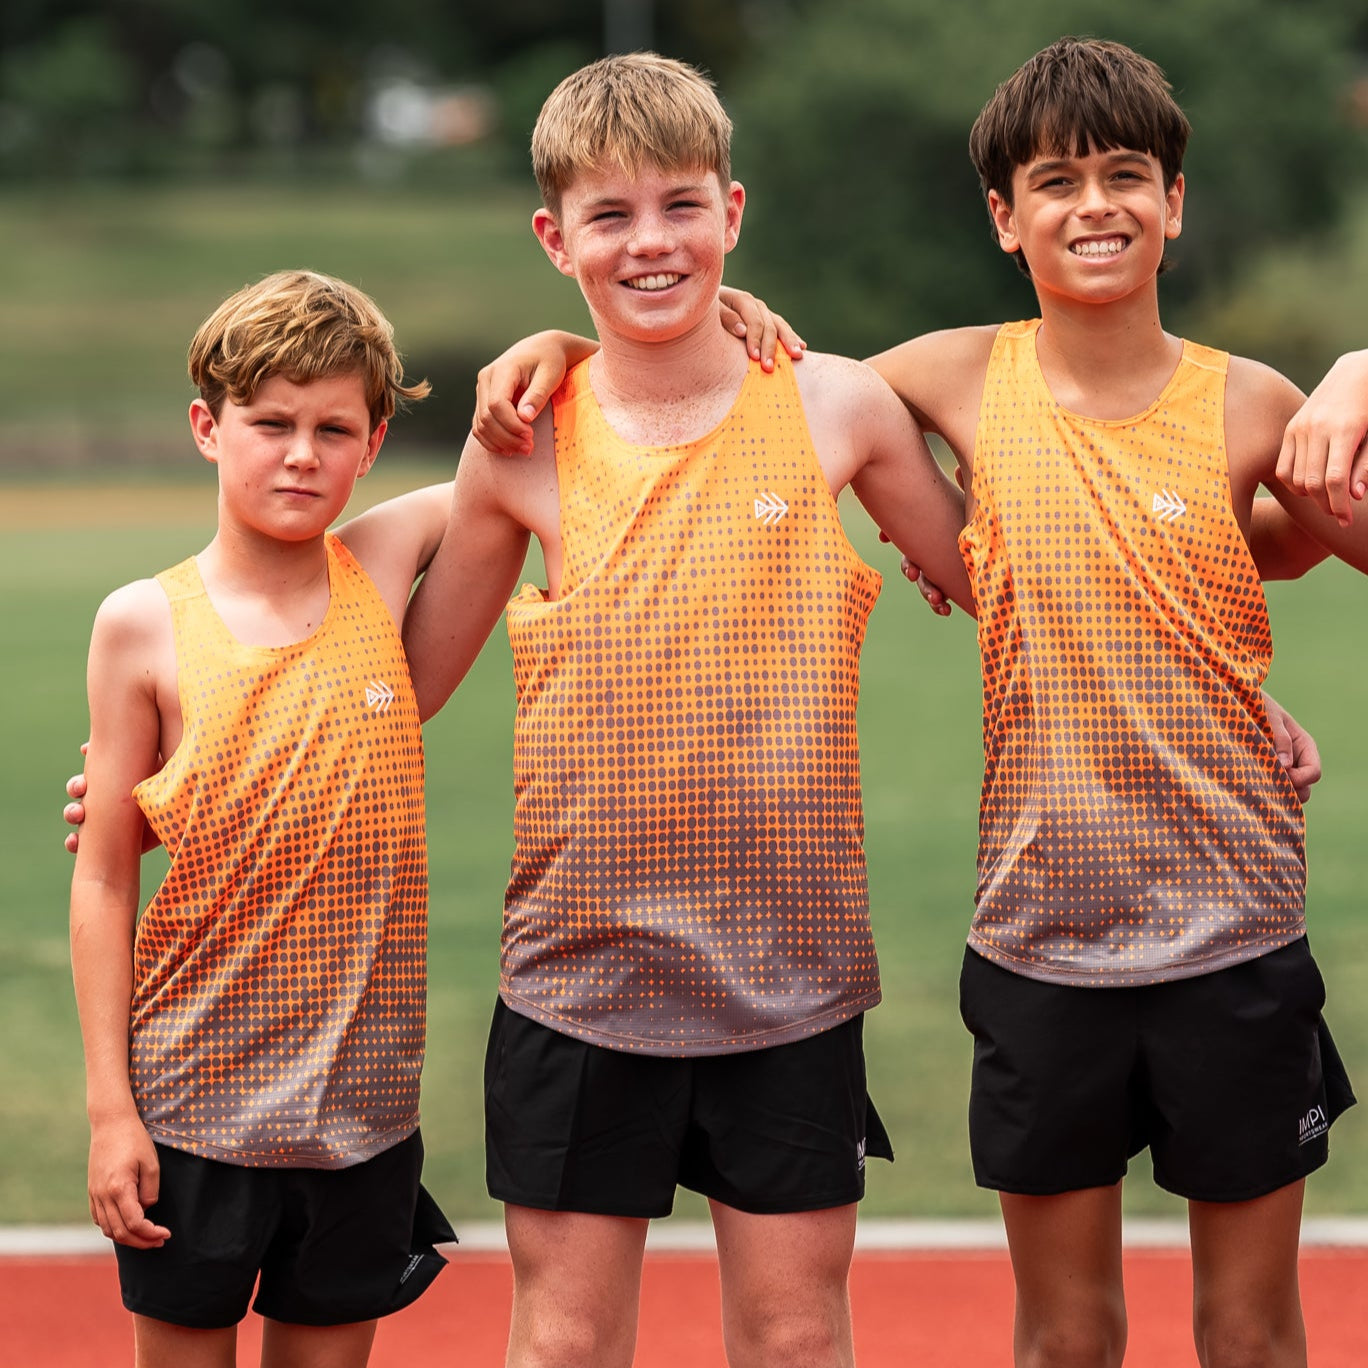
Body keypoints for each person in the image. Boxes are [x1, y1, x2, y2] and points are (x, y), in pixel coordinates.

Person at [472, 38, 1365, 1368]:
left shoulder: (1253, 403)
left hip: (1235, 938)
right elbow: (730, 366)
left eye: (1129, 175)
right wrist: (562, 335)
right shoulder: (937, 377)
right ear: (1004, 219)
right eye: (1055, 181)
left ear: (1176, 199)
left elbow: (1280, 552)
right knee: (1065, 1339)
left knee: (1248, 1332)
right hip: (1037, 945)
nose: (1097, 204)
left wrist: (1360, 369)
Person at [396, 51, 977, 1368]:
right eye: (610, 217)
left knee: (789, 1337)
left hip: (793, 979)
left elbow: (1006, 587)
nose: (650, 242)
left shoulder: (833, 405)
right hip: (578, 979)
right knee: (562, 1345)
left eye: (681, 206)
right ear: (556, 239)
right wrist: (183, 740)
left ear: (733, 211)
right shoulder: (525, 442)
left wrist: (1229, 706)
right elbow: (407, 686)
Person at [69, 269, 459, 1368]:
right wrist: (111, 1114)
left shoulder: (380, 568)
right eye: (270, 421)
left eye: (334, 428)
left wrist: (567, 347)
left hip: (365, 1116)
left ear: (373, 443)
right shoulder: (142, 625)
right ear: (208, 426)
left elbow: (510, 445)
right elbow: (102, 875)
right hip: (191, 1110)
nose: (302, 453)